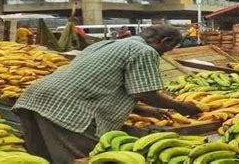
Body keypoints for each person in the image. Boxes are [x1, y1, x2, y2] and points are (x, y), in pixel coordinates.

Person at [12, 25, 202, 163]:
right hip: (66, 110)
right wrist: (184, 107)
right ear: (165, 41)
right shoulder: (143, 51)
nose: (166, 54)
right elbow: (146, 92)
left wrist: (143, 109)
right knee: (85, 159)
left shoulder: (106, 44)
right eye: (169, 48)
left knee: (42, 159)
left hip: (34, 99)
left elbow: (98, 84)